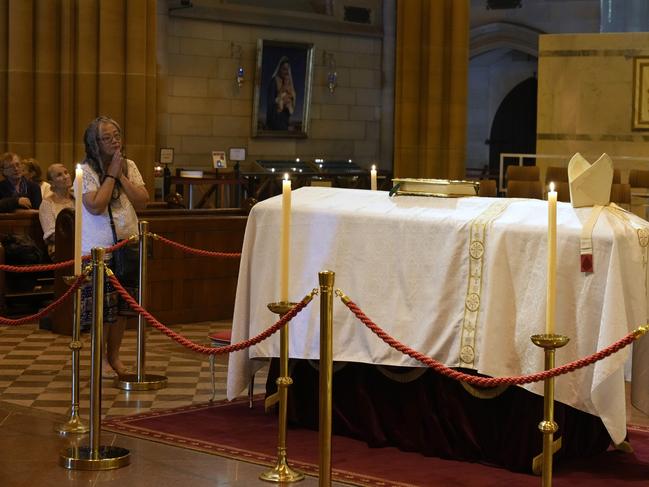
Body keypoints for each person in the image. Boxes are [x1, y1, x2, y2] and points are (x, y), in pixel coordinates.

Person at [79, 116, 149, 379]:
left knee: (121, 309)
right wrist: (110, 175)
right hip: (98, 250)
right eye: (107, 138)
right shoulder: (86, 171)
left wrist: (121, 175)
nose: (114, 141)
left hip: (127, 245)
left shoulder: (128, 165)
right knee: (102, 310)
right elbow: (96, 205)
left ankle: (115, 356)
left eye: (117, 136)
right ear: (94, 143)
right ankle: (100, 361)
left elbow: (142, 201)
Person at [38, 164, 74, 259]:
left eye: (66, 173)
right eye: (59, 175)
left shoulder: (77, 199)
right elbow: (52, 236)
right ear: (52, 182)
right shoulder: (47, 204)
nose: (65, 177)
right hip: (60, 249)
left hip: (83, 244)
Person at [266, 56, 296, 130]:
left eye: (287, 70)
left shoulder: (287, 83)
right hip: (275, 121)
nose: (285, 72)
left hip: (284, 121)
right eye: (284, 69)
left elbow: (291, 100)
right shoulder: (274, 82)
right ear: (279, 68)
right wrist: (279, 99)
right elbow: (270, 102)